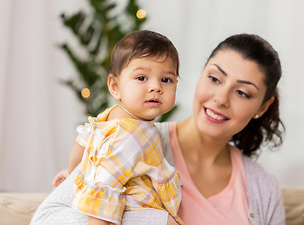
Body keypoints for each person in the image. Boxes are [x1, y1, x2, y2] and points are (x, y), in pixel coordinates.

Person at [31, 33, 285, 225]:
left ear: (262, 107)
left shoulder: (262, 188)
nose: (221, 98)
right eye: (214, 78)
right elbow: (45, 219)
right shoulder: (132, 138)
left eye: (242, 92)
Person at [51, 30, 183, 225]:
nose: (156, 87)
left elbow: (83, 140)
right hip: (133, 210)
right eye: (141, 78)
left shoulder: (110, 117)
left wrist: (71, 172)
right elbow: (104, 188)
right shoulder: (128, 135)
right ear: (114, 86)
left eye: (166, 80)